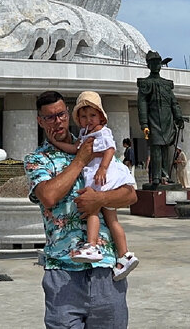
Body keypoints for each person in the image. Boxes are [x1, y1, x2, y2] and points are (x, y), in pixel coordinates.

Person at [25, 91, 137, 329]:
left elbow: (130, 193)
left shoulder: (94, 141)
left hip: (105, 270)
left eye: (61, 115)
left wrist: (100, 198)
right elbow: (48, 196)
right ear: (40, 121)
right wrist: (80, 160)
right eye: (50, 117)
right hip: (63, 270)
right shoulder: (38, 159)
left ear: (68, 114)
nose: (58, 122)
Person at [49, 91, 138, 279]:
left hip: (102, 179)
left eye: (92, 115)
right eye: (83, 116)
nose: (88, 119)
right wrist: (56, 143)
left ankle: (92, 245)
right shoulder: (85, 134)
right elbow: (75, 150)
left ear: (101, 117)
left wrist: (103, 169)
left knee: (92, 211)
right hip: (99, 177)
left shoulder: (102, 132)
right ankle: (125, 255)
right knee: (112, 220)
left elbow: (110, 149)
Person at [136, 51, 184, 188]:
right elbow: (142, 105)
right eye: (153, 63)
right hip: (153, 120)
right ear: (148, 65)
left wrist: (178, 116)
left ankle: (165, 176)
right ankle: (156, 176)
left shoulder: (166, 84)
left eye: (158, 63)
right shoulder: (145, 83)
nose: (156, 65)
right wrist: (144, 123)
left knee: (166, 148)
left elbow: (174, 102)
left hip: (167, 120)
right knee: (156, 147)